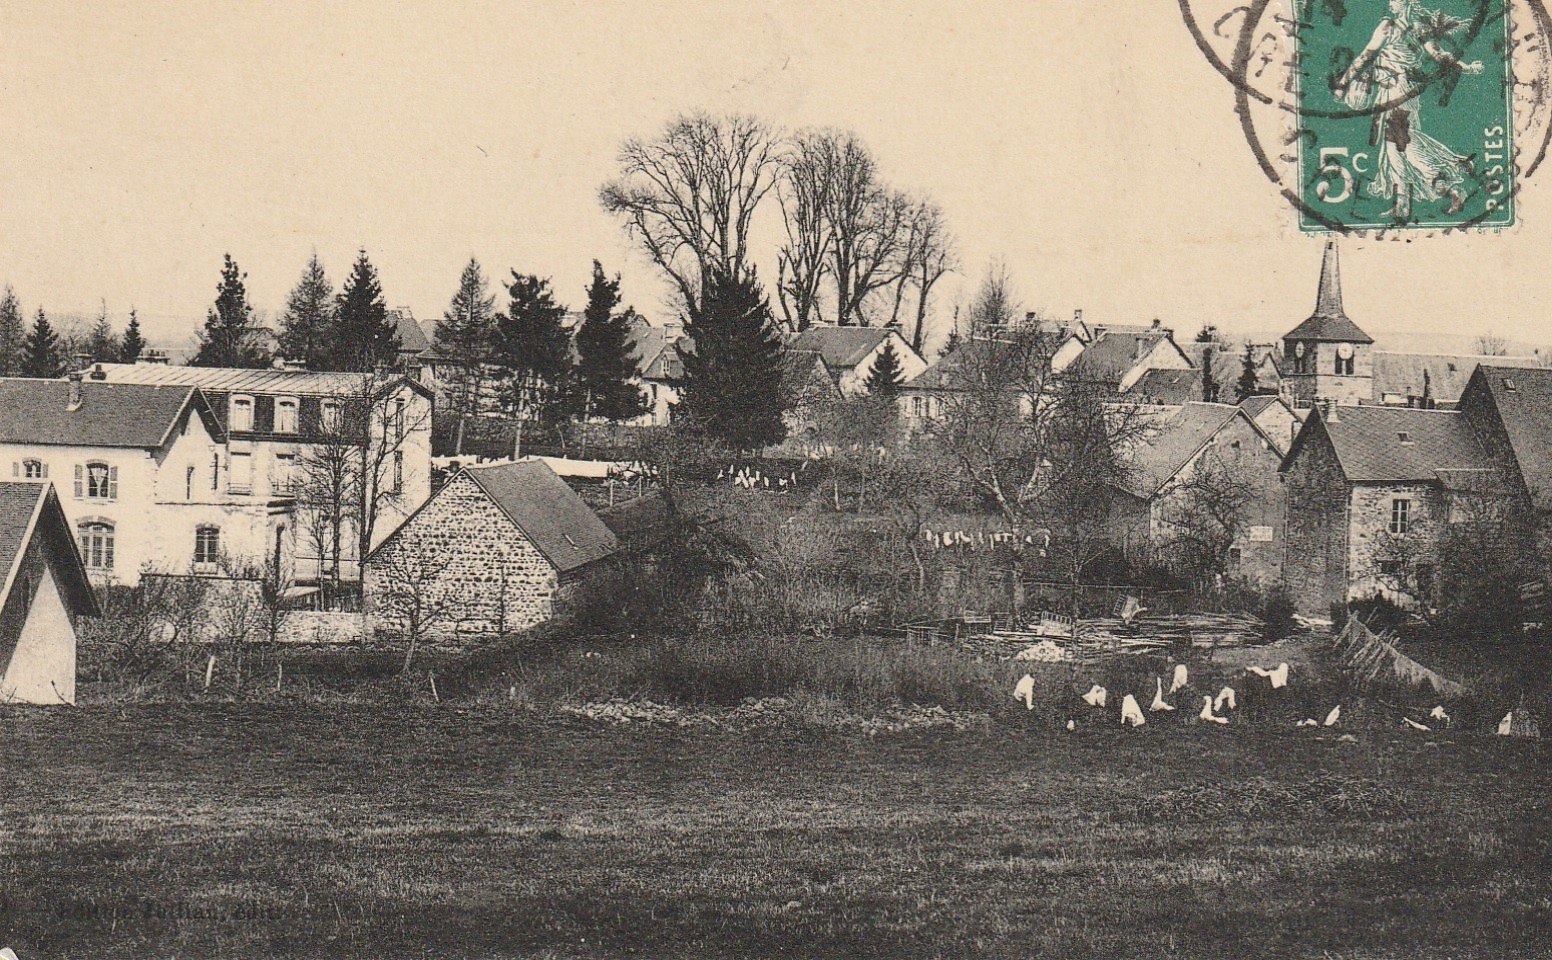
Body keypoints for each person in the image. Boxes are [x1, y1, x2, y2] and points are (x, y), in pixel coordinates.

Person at [1335, 0, 1485, 219]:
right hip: (1397, 91)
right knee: (1394, 152)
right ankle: (1405, 204)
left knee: (1402, 142)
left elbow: (1365, 57)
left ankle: (1450, 179)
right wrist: (1465, 68)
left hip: (1399, 91)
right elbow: (1439, 55)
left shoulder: (1396, 27)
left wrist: (1342, 85)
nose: (1391, 3)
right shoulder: (1411, 27)